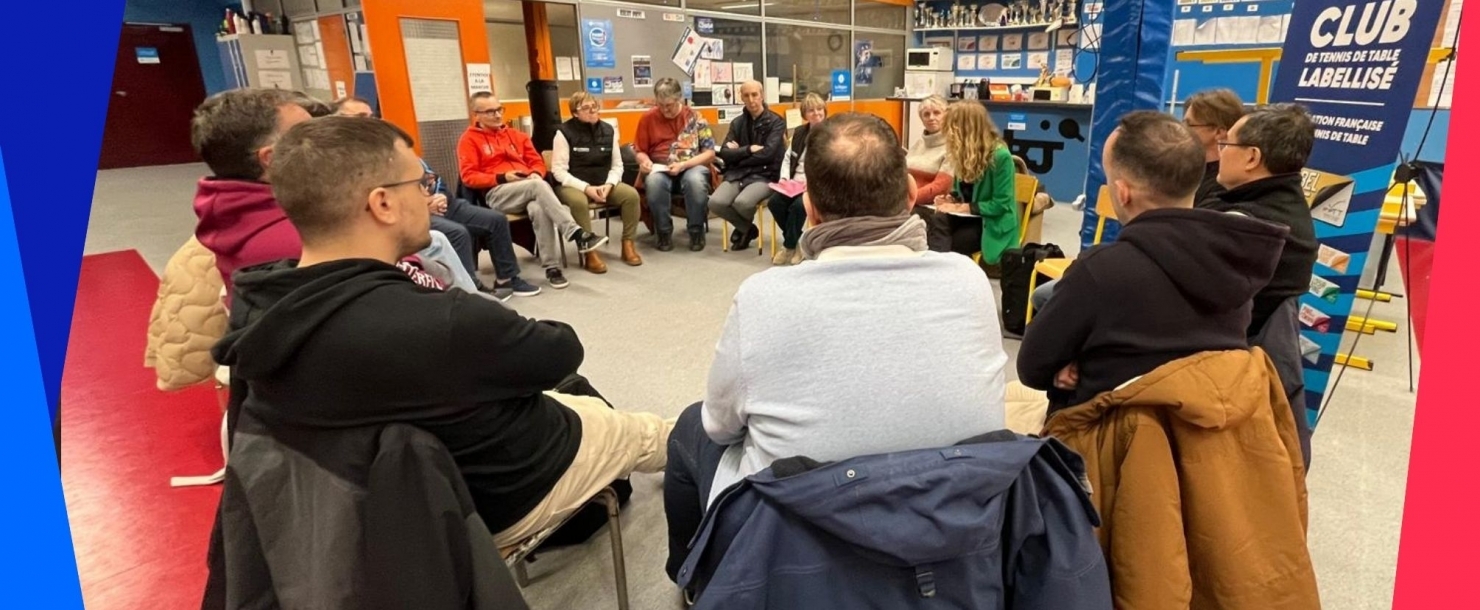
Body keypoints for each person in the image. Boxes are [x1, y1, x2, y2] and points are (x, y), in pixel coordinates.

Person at [213, 116, 675, 553]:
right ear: (383, 203)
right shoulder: (439, 318)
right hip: (500, 495)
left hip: (390, 521)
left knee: (574, 398)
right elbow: (561, 349)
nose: (429, 195)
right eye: (421, 183)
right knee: (650, 430)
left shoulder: (260, 309)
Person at [663, 113, 1009, 582]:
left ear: (809, 208)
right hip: (946, 523)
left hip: (793, 533)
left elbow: (720, 428)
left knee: (689, 425)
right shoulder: (969, 281)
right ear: (911, 195)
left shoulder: (763, 296)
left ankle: (694, 580)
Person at [1017, 110, 1288, 415]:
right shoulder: (1237, 262)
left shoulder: (1100, 271)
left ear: (1122, 192)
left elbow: (1032, 369)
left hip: (1103, 433)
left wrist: (1080, 362)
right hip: (1204, 428)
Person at [336, 96, 540, 298]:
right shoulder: (346, 160)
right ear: (339, 120)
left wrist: (440, 194)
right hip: (415, 209)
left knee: (495, 219)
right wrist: (424, 204)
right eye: (360, 117)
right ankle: (470, 289)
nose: (370, 122)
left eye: (371, 116)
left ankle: (507, 278)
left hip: (445, 202)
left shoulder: (387, 145)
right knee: (457, 233)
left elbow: (429, 174)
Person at [457, 92, 606, 289]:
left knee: (538, 207)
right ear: (476, 115)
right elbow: (468, 177)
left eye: (499, 109)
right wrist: (503, 177)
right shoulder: (468, 140)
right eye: (490, 111)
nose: (498, 115)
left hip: (529, 187)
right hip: (498, 193)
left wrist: (536, 173)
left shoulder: (517, 135)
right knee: (538, 186)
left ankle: (552, 268)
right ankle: (576, 233)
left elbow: (536, 161)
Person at [1203, 103, 1319, 336]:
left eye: (1226, 144)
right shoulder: (1287, 204)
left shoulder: (1246, 227)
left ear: (1252, 157)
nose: (1220, 153)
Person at [920, 102, 1019, 275]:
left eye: (951, 128)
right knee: (935, 219)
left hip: (989, 221)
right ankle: (939, 272)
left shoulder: (1000, 156)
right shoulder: (962, 152)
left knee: (955, 242)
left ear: (966, 129)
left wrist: (960, 207)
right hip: (968, 216)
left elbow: (1001, 204)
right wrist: (952, 199)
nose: (947, 134)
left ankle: (939, 272)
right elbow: (963, 192)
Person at [550, 91, 644, 271]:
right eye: (586, 108)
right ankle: (589, 251)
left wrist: (609, 184)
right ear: (575, 113)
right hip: (573, 184)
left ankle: (628, 244)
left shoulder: (608, 130)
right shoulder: (563, 133)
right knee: (579, 202)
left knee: (631, 195)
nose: (592, 110)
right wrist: (586, 188)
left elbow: (617, 165)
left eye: (594, 106)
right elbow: (558, 171)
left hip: (603, 183)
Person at [635, 78, 718, 251]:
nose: (665, 110)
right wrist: (645, 161)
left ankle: (696, 231)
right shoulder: (647, 118)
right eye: (660, 105)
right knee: (654, 183)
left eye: (669, 105)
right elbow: (640, 151)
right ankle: (663, 232)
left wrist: (683, 165)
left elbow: (709, 154)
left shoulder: (695, 117)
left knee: (694, 181)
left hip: (691, 164)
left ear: (679, 98)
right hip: (660, 167)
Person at [709, 81, 787, 252]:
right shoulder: (737, 123)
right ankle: (748, 229)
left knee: (742, 203)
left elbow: (768, 154)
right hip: (738, 174)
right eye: (746, 95)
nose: (751, 100)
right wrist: (749, 149)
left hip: (765, 175)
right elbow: (724, 153)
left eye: (755, 94)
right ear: (741, 97)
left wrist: (737, 156)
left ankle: (741, 230)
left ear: (762, 95)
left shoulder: (776, 122)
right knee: (715, 202)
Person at [763, 93, 826, 266]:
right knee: (774, 203)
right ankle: (797, 242)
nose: (816, 113)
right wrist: (784, 178)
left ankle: (788, 247)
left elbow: (832, 165)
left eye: (820, 109)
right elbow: (787, 158)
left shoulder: (832, 134)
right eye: (811, 110)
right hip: (794, 182)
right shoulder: (799, 133)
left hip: (816, 185)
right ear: (805, 114)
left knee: (798, 207)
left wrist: (811, 182)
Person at [1183, 88, 1246, 205]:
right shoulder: (1184, 170)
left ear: (1218, 132)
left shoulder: (1225, 183)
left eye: (1189, 124)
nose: (1182, 129)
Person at [906, 95, 952, 206]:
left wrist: (906, 201)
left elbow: (940, 188)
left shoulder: (953, 147)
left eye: (937, 113)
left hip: (927, 207)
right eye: (926, 114)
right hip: (905, 202)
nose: (931, 118)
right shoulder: (919, 143)